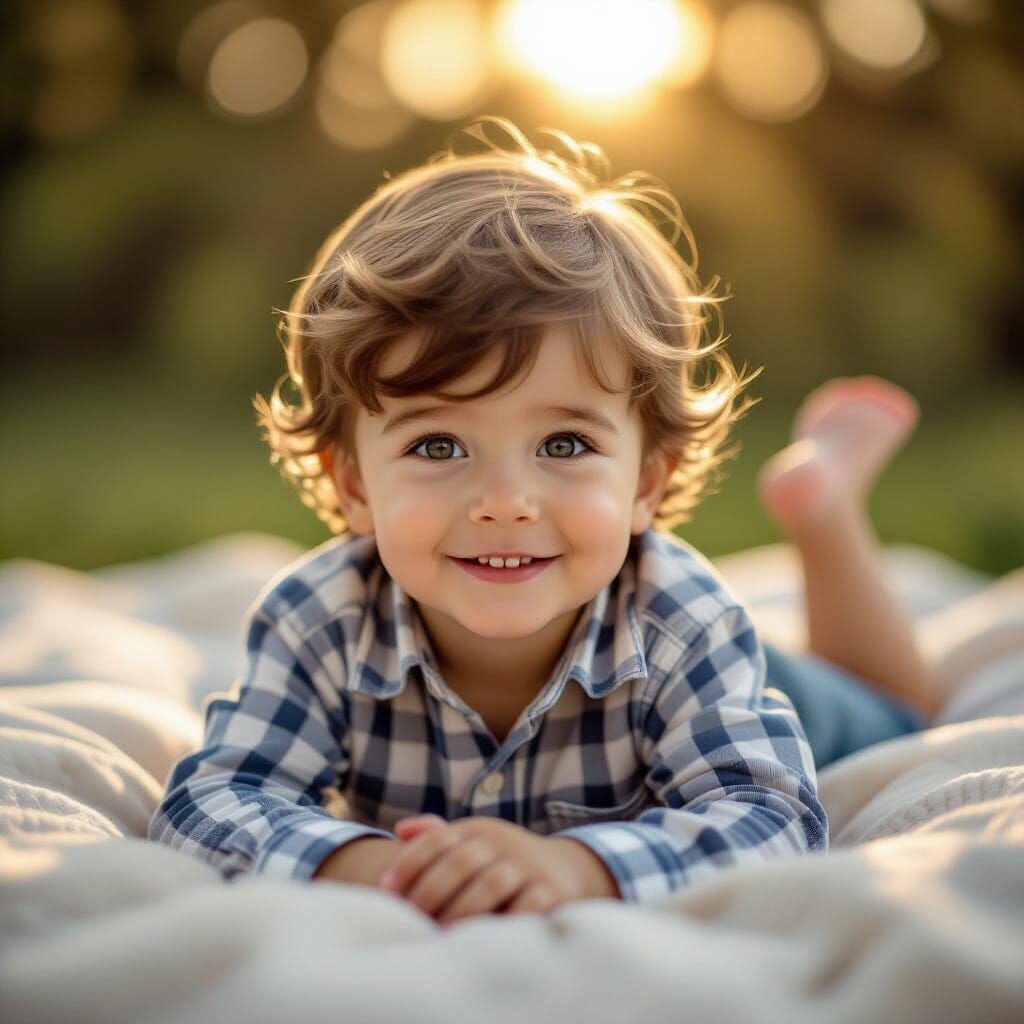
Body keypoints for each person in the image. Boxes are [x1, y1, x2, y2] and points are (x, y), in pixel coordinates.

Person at [149, 116, 931, 927]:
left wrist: (578, 867)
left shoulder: (683, 622)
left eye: (563, 442)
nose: (504, 499)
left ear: (645, 482)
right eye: (438, 442)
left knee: (903, 706)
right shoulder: (318, 620)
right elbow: (210, 802)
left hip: (784, 695)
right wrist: (376, 865)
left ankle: (824, 505)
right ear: (352, 483)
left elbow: (773, 817)